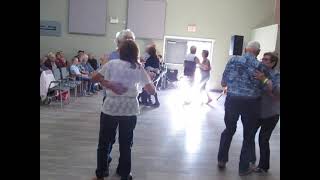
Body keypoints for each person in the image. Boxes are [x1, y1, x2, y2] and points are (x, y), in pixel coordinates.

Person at [92, 40, 155, 180]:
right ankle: (125, 174)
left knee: (104, 143)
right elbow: (151, 91)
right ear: (135, 53)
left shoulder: (111, 64)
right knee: (126, 144)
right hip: (129, 110)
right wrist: (149, 79)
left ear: (120, 51)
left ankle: (101, 174)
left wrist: (108, 84)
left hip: (110, 109)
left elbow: (94, 78)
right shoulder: (138, 68)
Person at [217, 41, 272, 176]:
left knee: (229, 130)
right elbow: (268, 88)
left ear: (246, 49)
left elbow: (223, 82)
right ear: (258, 52)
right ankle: (243, 168)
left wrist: (233, 86)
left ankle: (222, 160)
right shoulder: (260, 66)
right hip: (251, 104)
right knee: (248, 136)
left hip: (232, 100)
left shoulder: (233, 60)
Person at [92, 29, 136, 175]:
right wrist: (110, 85)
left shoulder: (134, 58)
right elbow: (98, 78)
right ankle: (105, 163)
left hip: (128, 106)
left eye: (132, 39)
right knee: (107, 138)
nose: (131, 41)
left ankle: (123, 170)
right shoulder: (109, 57)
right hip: (111, 101)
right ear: (119, 42)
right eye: (128, 38)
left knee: (126, 141)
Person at [251, 52, 280, 174]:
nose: (263, 61)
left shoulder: (277, 75)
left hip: (271, 113)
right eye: (262, 59)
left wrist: (265, 80)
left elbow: (278, 91)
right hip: (257, 112)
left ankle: (263, 166)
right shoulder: (258, 72)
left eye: (266, 60)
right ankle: (251, 160)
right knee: (249, 135)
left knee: (263, 139)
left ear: (273, 63)